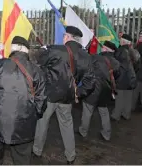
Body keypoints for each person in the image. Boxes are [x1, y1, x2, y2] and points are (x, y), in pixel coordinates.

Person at [33, 26, 96, 165]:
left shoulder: (56, 50)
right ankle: (70, 156)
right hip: (68, 97)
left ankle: (37, 150)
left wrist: (43, 50)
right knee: (67, 124)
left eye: (64, 35)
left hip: (50, 95)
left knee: (42, 121)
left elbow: (39, 61)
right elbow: (90, 81)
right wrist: (78, 93)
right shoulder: (86, 55)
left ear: (67, 37)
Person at [0, 36, 47, 165]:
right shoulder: (37, 71)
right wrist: (33, 115)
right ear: (26, 50)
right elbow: (41, 101)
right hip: (24, 124)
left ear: (14, 47)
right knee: (22, 159)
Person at [78, 41, 120, 141]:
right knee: (104, 112)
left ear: (105, 49)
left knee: (87, 111)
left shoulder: (95, 58)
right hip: (106, 90)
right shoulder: (116, 62)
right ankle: (107, 134)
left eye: (103, 47)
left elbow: (87, 69)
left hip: (93, 89)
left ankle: (83, 131)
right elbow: (116, 76)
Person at [112, 34, 137, 121]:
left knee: (119, 98)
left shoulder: (120, 51)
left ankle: (116, 115)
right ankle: (126, 114)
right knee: (128, 98)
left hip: (121, 78)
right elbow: (137, 64)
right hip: (131, 78)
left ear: (122, 41)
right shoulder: (133, 51)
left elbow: (116, 65)